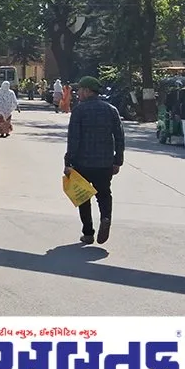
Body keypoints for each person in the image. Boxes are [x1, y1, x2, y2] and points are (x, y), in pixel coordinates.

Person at [64, 76, 124, 245]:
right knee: (104, 195)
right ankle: (105, 218)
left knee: (83, 197)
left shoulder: (79, 111)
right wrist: (118, 160)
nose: (78, 93)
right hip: (105, 163)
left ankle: (88, 232)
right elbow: (119, 137)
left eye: (80, 90)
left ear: (88, 91)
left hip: (82, 163)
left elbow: (73, 139)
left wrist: (68, 163)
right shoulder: (111, 110)